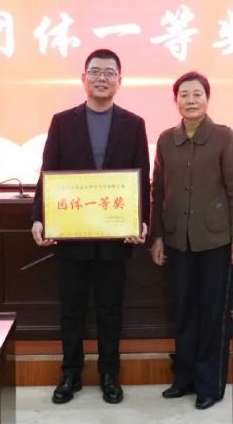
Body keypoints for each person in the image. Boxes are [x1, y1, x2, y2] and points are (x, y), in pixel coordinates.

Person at [31, 48, 150, 405]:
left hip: (115, 236)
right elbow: (48, 172)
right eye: (95, 72)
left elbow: (142, 178)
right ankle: (70, 374)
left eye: (109, 73)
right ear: (83, 78)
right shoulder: (62, 122)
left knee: (110, 310)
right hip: (72, 236)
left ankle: (110, 375)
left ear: (119, 81)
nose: (102, 78)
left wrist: (142, 220)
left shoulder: (134, 124)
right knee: (72, 309)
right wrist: (39, 217)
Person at [149, 71, 233, 410]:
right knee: (184, 312)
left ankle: (210, 385)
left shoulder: (224, 137)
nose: (190, 100)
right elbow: (157, 191)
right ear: (175, 100)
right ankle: (184, 378)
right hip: (178, 242)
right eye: (184, 95)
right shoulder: (166, 140)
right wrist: (158, 236)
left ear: (207, 98)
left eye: (197, 94)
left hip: (216, 241)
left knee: (212, 313)